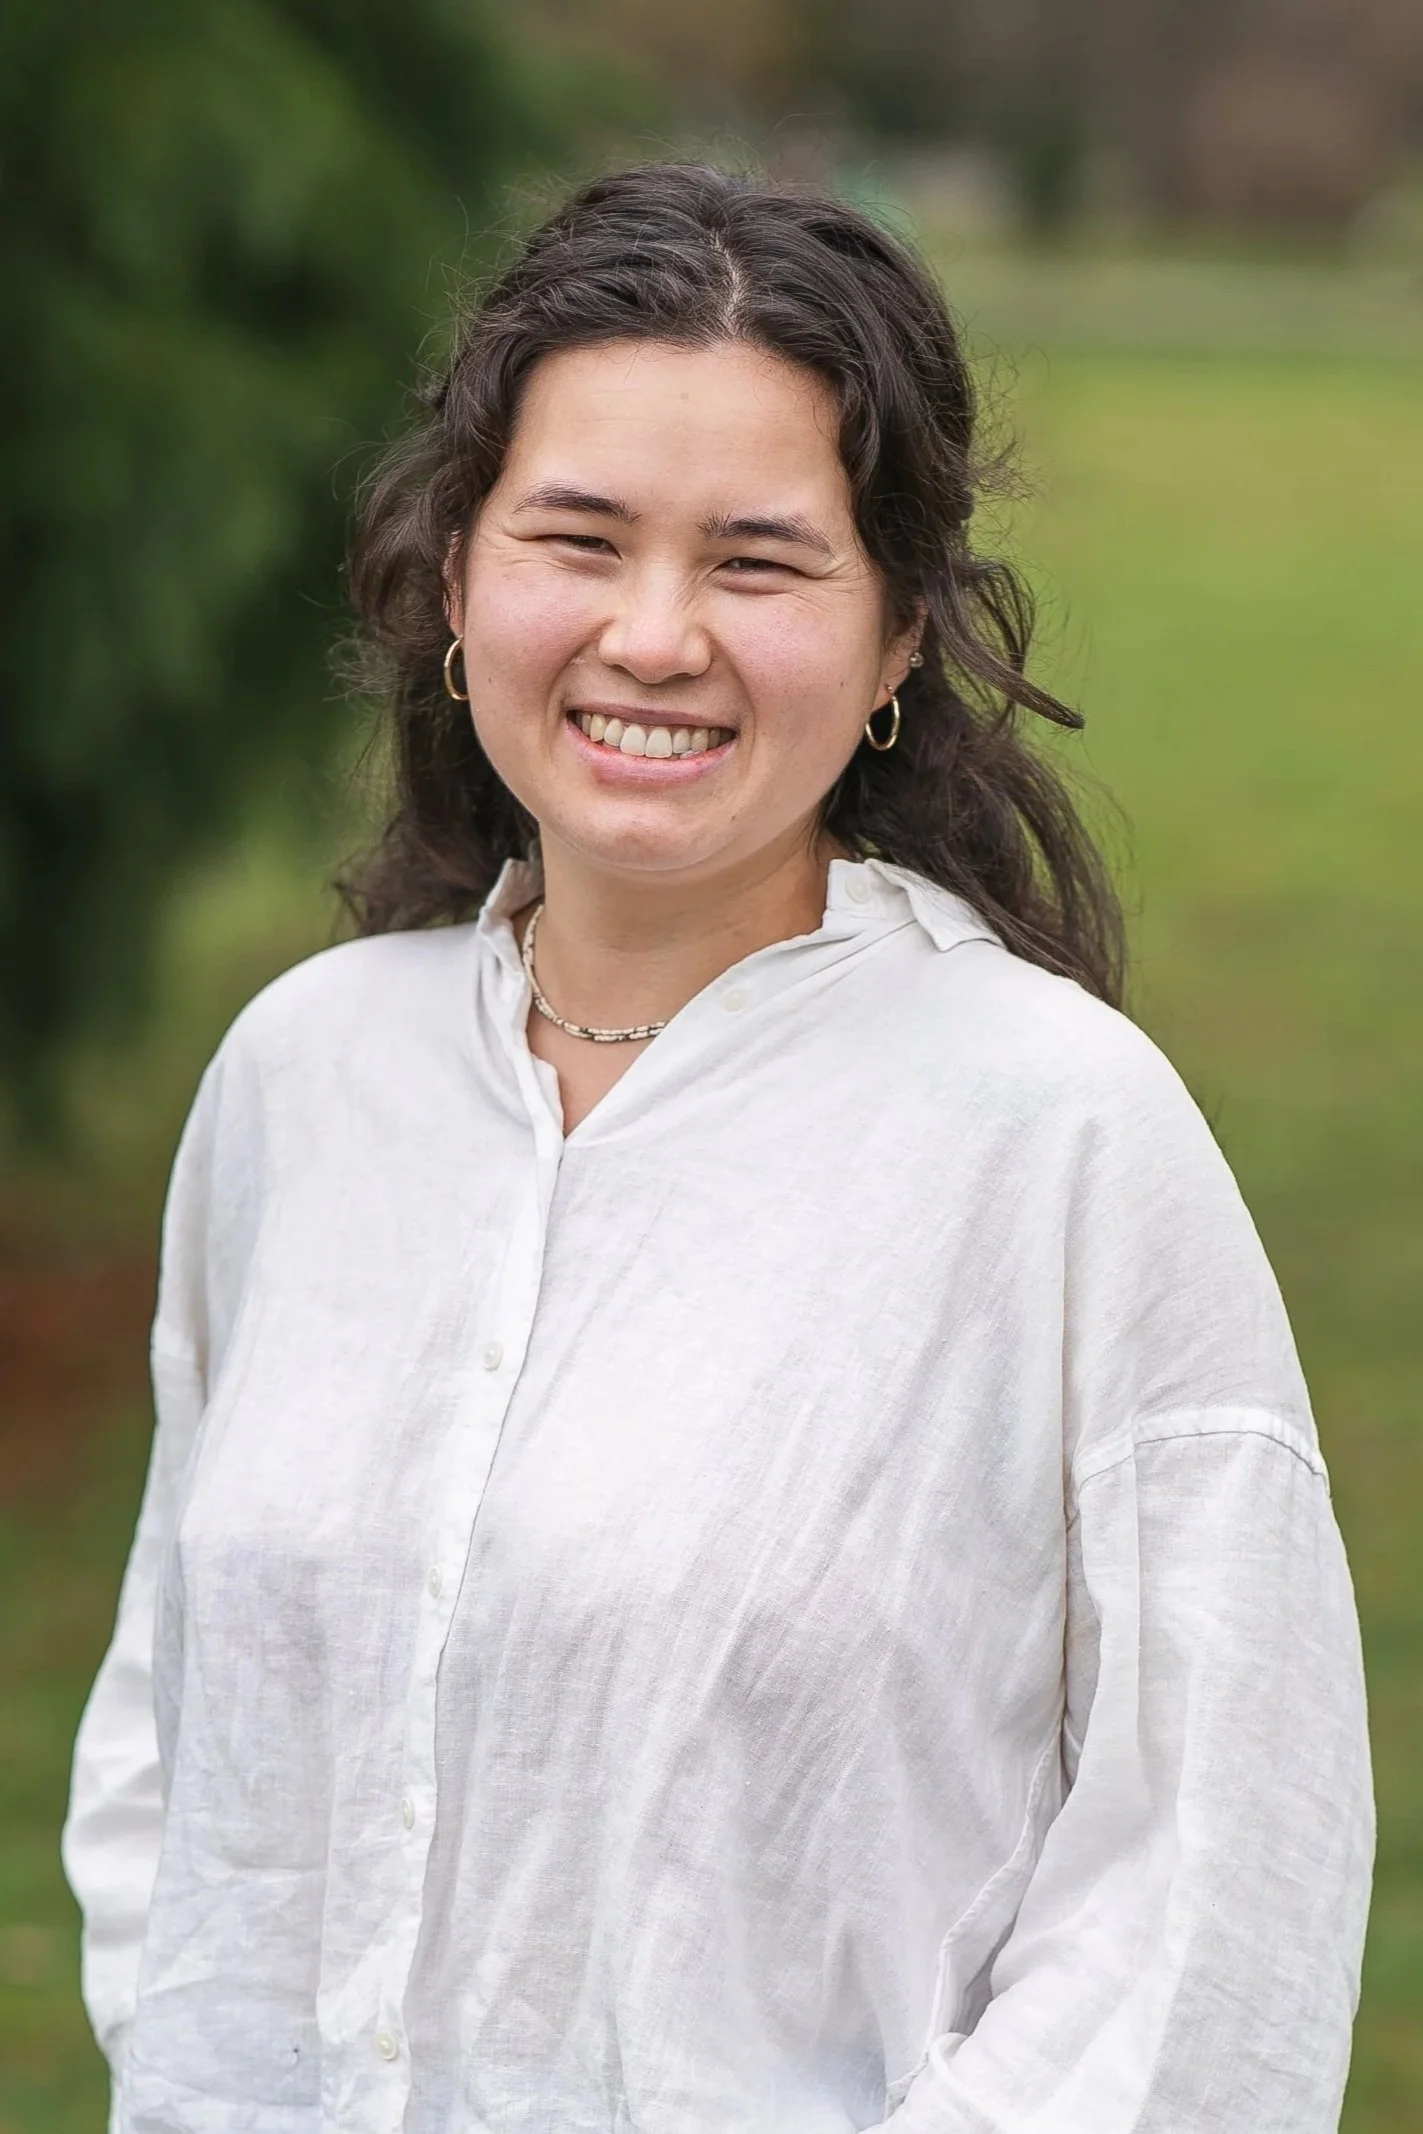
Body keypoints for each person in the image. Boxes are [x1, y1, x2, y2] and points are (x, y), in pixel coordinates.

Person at [63, 163, 1373, 2134]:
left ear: (899, 632)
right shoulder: (300, 1080)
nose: (653, 633)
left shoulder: (1061, 1138)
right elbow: (180, 1741)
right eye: (577, 536)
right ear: (457, 576)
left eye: (758, 562)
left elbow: (1210, 1884)